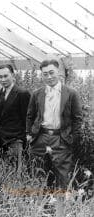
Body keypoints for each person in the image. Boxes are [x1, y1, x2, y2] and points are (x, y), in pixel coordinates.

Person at [26, 59, 82, 189]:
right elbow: (30, 115)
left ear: (58, 72)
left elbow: (77, 119)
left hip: (61, 139)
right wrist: (29, 134)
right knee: (37, 173)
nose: (49, 77)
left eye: (51, 72)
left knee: (62, 176)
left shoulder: (71, 93)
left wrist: (72, 139)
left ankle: (60, 206)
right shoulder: (37, 94)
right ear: (42, 75)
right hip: (40, 137)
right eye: (45, 74)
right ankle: (39, 205)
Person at [0, 64, 30, 169]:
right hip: (0, 140)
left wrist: (24, 140)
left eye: (5, 76)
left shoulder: (22, 93)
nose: (3, 79)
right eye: (0, 77)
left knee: (15, 172)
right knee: (1, 171)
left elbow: (27, 118)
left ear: (12, 75)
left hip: (16, 140)